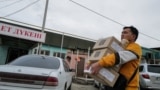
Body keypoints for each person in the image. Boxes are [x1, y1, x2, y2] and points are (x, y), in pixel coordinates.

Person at [87, 26, 142, 90]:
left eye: (125, 32)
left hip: (128, 87)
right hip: (114, 84)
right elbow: (106, 55)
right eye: (122, 32)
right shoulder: (121, 47)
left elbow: (119, 57)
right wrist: (91, 62)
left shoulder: (136, 47)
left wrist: (99, 63)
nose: (122, 34)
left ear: (133, 36)